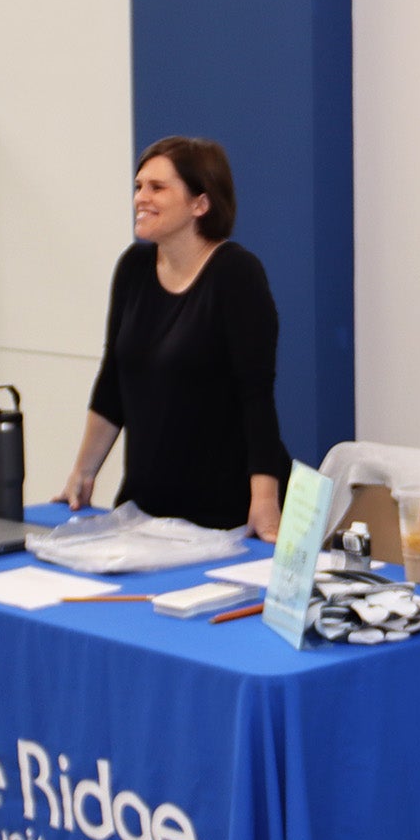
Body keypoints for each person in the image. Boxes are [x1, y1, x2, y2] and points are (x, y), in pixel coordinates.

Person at [61, 137, 288, 540]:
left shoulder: (236, 275)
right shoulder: (133, 268)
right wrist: (83, 471)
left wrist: (265, 500)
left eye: (157, 187)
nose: (141, 198)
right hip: (145, 511)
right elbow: (113, 380)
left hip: (222, 514)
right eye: (138, 186)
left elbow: (257, 398)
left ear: (200, 204)